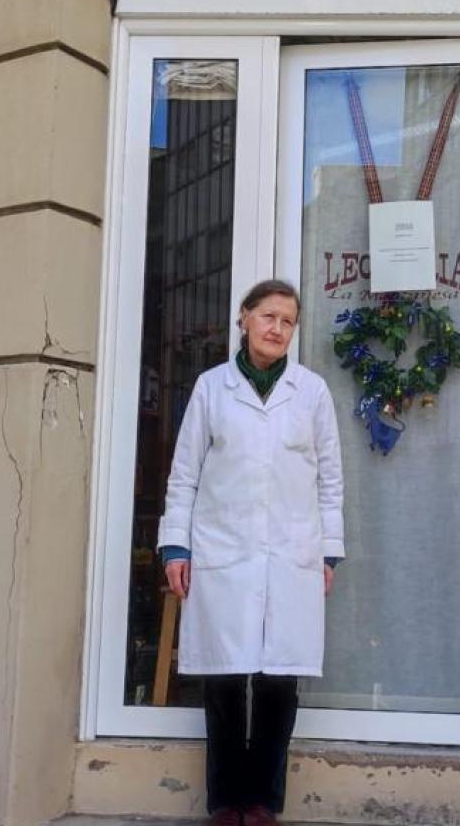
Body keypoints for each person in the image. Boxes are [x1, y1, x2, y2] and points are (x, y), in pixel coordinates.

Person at [159, 279, 345, 826]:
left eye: (288, 322)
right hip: (223, 552)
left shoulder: (310, 393)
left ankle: (263, 802)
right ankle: (224, 802)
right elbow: (185, 474)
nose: (277, 329)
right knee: (222, 682)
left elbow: (330, 480)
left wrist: (328, 552)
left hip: (292, 556)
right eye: (268, 316)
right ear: (243, 318)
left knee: (276, 685)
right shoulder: (212, 388)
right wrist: (176, 544)